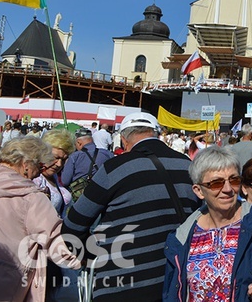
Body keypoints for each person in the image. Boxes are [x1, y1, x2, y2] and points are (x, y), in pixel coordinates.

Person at [63, 112, 200, 302]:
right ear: (157, 134)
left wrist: (89, 254)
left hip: (122, 283)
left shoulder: (115, 168)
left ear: (123, 139)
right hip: (176, 279)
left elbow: (73, 225)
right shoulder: (187, 165)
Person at [163, 147, 252, 302]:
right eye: (217, 183)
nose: (228, 189)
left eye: (234, 180)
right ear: (199, 191)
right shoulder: (181, 238)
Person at [0, 137, 81, 302]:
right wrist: (85, 256)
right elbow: (53, 240)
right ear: (26, 164)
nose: (39, 172)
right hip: (8, 277)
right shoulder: (31, 197)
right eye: (39, 166)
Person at [33, 128, 75, 215]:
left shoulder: (55, 176)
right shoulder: (35, 178)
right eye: (55, 157)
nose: (59, 164)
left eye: (63, 160)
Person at [60, 128, 113, 194]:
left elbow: (65, 181)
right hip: (103, 194)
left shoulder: (74, 156)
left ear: (79, 143)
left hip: (81, 197)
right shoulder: (108, 154)